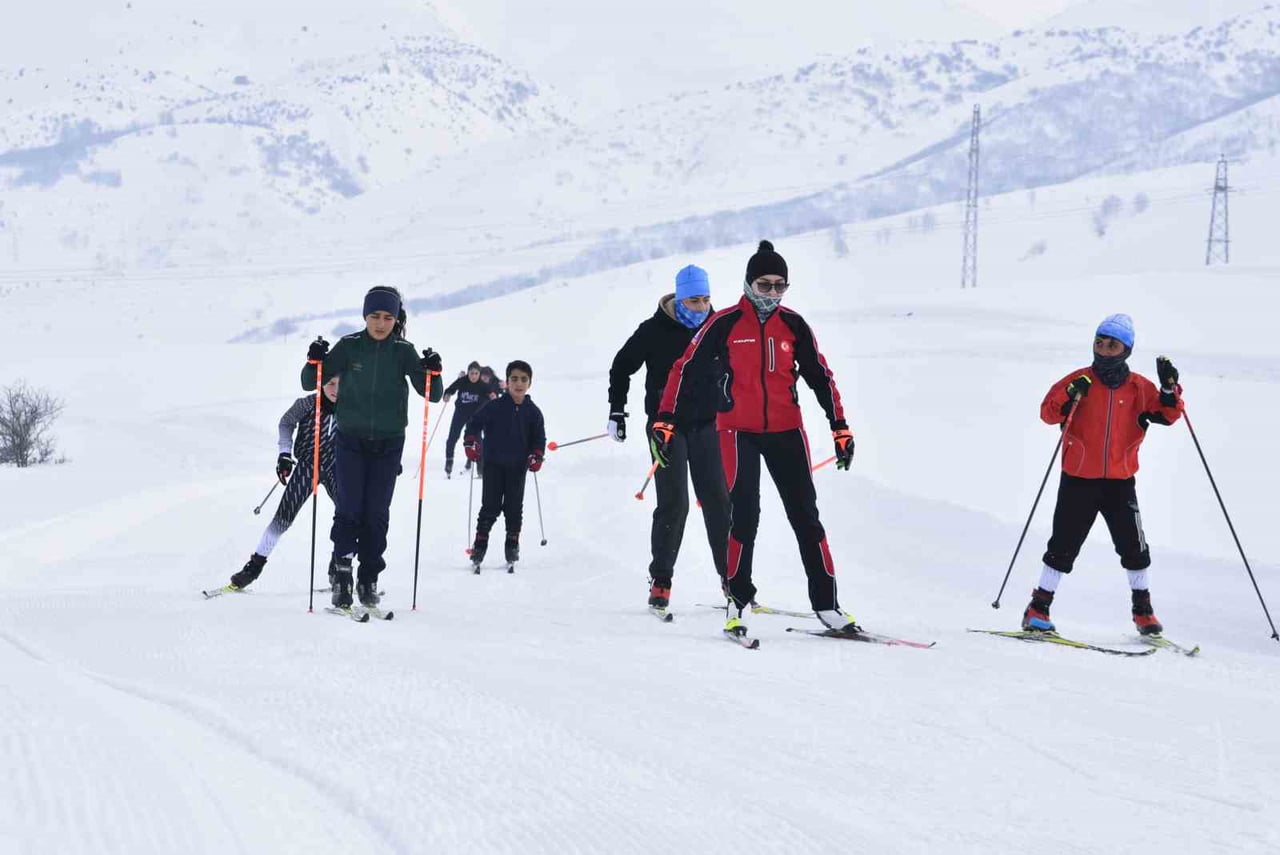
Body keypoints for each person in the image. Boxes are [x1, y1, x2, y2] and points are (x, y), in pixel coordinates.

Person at [654, 241, 855, 640]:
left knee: (806, 517)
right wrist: (664, 420)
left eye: (780, 286)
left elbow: (821, 377)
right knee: (744, 516)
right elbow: (683, 369)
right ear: (748, 284)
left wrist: (840, 426)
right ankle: (737, 601)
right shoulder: (724, 323)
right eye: (765, 286)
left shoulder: (794, 325)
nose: (773, 294)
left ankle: (828, 605)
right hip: (736, 431)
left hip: (786, 431)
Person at [1024, 314, 1183, 636]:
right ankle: (1037, 608)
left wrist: (1169, 389)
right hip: (1079, 478)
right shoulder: (1080, 381)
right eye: (1100, 342)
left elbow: (1168, 414)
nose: (1104, 349)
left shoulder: (1140, 387)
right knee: (1064, 545)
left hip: (1120, 482)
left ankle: (1143, 612)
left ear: (1126, 349)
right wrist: (1070, 393)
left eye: (1113, 344)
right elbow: (1047, 413)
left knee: (1134, 547)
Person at [302, 285, 444, 609]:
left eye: (387, 317)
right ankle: (342, 573)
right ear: (365, 316)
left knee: (376, 513)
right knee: (348, 509)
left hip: (389, 444)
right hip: (349, 440)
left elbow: (431, 393)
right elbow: (310, 382)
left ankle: (369, 577)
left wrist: (434, 371)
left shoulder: (404, 351)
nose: (381, 323)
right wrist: (314, 361)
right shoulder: (349, 346)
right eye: (375, 316)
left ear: (396, 319)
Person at [608, 264, 730, 611]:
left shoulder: (717, 327)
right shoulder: (654, 330)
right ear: (679, 298)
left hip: (708, 425)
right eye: (694, 300)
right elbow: (621, 366)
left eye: (706, 299)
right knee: (675, 503)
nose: (701, 306)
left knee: (719, 502)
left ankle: (730, 579)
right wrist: (617, 410)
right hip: (666, 429)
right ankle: (661, 580)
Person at [229, 375, 340, 590]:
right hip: (308, 465)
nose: (336, 389)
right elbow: (286, 423)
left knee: (350, 516)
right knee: (283, 517)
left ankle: (339, 569)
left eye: (342, 384)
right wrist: (284, 454)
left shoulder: (353, 406)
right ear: (321, 383)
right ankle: (253, 567)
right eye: (331, 384)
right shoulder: (307, 404)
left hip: (339, 466)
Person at [464, 360, 546, 568]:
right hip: (493, 464)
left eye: (524, 379)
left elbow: (539, 438)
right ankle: (480, 543)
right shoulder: (495, 406)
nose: (519, 383)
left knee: (513, 507)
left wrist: (536, 455)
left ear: (530, 383)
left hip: (518, 467)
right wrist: (471, 440)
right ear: (507, 382)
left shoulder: (533, 412)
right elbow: (474, 423)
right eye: (514, 379)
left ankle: (512, 542)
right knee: (489, 506)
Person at [442, 361, 494, 477]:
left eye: (476, 373)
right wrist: (447, 395)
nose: (473, 376)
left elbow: (491, 394)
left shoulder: (482, 385)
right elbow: (451, 388)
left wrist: (492, 396)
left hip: (475, 418)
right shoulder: (463, 381)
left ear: (479, 374)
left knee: (477, 441)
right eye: (471, 373)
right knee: (452, 438)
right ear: (468, 373)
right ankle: (449, 463)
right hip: (460, 414)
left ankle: (480, 469)